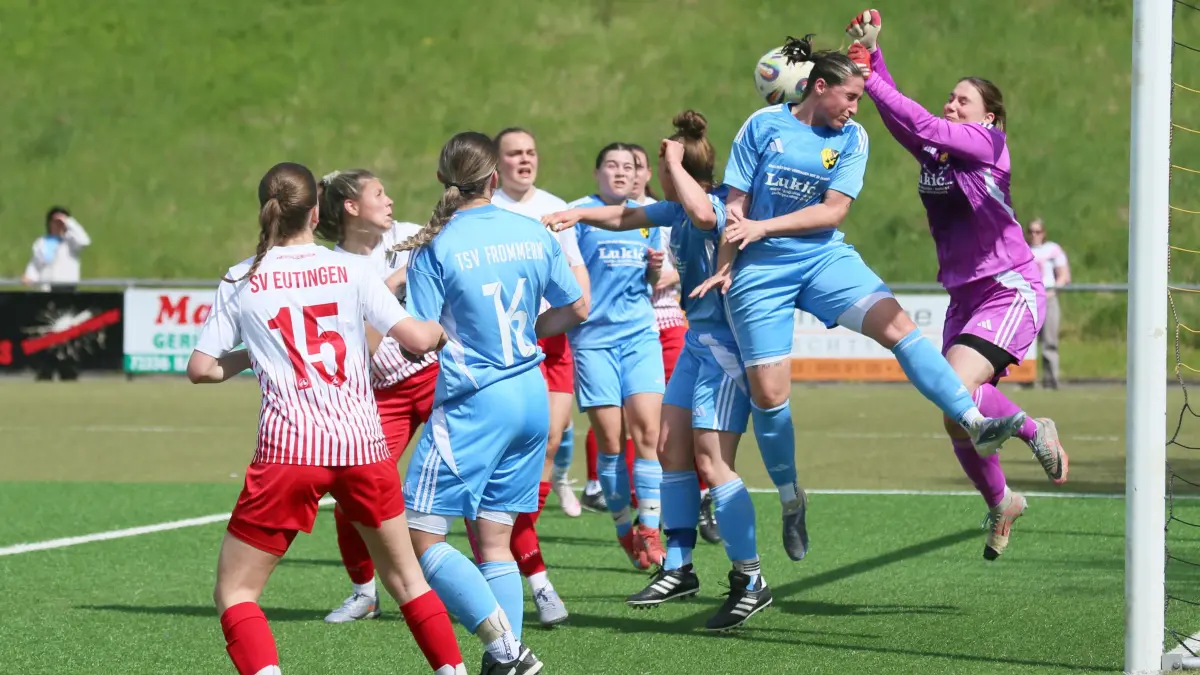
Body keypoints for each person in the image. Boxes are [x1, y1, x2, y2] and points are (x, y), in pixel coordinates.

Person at [694, 35, 1030, 562]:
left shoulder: (852, 138)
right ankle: (790, 498)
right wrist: (725, 266)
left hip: (824, 258)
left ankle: (972, 421)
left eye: (859, 98)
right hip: (760, 271)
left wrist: (763, 227)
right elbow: (734, 209)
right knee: (770, 397)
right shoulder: (762, 127)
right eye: (849, 97)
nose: (855, 108)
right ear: (819, 87)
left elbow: (832, 213)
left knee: (899, 328)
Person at [187, 162, 465, 675]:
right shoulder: (354, 270)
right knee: (408, 582)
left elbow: (202, 370)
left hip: (288, 452)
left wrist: (256, 352)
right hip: (362, 445)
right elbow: (418, 340)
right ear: (316, 213)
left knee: (237, 592)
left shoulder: (240, 277)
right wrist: (443, 332)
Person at [846, 9, 1069, 558]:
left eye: (962, 100)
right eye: (950, 98)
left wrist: (871, 74)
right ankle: (1001, 501)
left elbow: (921, 123)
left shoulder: (990, 147)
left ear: (990, 119)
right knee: (953, 414)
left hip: (1007, 285)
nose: (951, 105)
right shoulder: (942, 149)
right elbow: (909, 125)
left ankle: (1031, 427)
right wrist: (874, 58)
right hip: (964, 295)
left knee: (957, 389)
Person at [544, 111, 779, 631]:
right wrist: (580, 217)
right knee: (670, 449)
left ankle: (750, 577)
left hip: (728, 348)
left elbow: (699, 215)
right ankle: (678, 567)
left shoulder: (722, 207)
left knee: (710, 462)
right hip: (698, 343)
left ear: (682, 174)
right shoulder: (675, 210)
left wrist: (674, 161)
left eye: (662, 167)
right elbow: (627, 217)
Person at [395, 131, 587, 674]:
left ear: (442, 180)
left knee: (419, 534)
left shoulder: (436, 246)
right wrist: (529, 331)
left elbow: (426, 335)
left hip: (476, 402)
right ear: (494, 179)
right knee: (495, 541)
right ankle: (504, 661)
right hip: (531, 396)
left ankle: (508, 650)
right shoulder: (530, 231)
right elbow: (575, 308)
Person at [312, 168, 441, 624]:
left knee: (472, 483)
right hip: (380, 394)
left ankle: (519, 578)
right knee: (353, 496)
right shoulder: (332, 268)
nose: (390, 200)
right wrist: (385, 290)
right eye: (379, 194)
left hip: (437, 376)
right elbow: (353, 353)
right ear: (351, 208)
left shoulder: (409, 236)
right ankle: (364, 593)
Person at [485, 126, 590, 627]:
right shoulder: (486, 209)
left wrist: (579, 304)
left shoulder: (554, 207)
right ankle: (521, 563)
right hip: (502, 347)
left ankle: (523, 541)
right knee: (502, 460)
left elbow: (575, 271)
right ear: (496, 163)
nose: (524, 161)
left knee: (551, 440)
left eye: (530, 152)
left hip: (551, 339)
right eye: (514, 154)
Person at [564, 143, 667, 569]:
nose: (621, 173)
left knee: (647, 434)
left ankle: (651, 529)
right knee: (610, 442)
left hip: (641, 336)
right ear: (597, 172)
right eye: (612, 165)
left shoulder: (647, 216)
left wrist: (656, 269)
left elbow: (653, 278)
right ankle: (623, 527)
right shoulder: (579, 215)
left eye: (628, 167)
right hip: (593, 341)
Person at [633, 142, 720, 545]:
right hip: (626, 331)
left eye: (638, 166)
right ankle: (651, 517)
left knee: (693, 435)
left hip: (675, 326)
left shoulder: (683, 209)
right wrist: (578, 214)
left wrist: (664, 275)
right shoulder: (642, 213)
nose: (630, 173)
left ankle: (708, 498)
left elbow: (687, 266)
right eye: (621, 166)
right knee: (651, 435)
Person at [1027, 218, 1069, 389]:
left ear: (1043, 233)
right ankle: (1026, 379)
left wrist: (1053, 290)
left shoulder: (1052, 249)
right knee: (1025, 342)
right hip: (1028, 300)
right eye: (1031, 231)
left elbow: (1063, 274)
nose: (1034, 235)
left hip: (1048, 298)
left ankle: (1051, 379)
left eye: (1037, 231)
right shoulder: (1022, 250)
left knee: (1050, 341)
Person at [23, 206, 90, 292]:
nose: (58, 225)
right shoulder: (41, 242)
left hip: (67, 289)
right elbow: (36, 263)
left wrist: (68, 221)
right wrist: (29, 275)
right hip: (46, 289)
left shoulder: (71, 241)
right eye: (55, 222)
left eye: (61, 222)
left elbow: (84, 241)